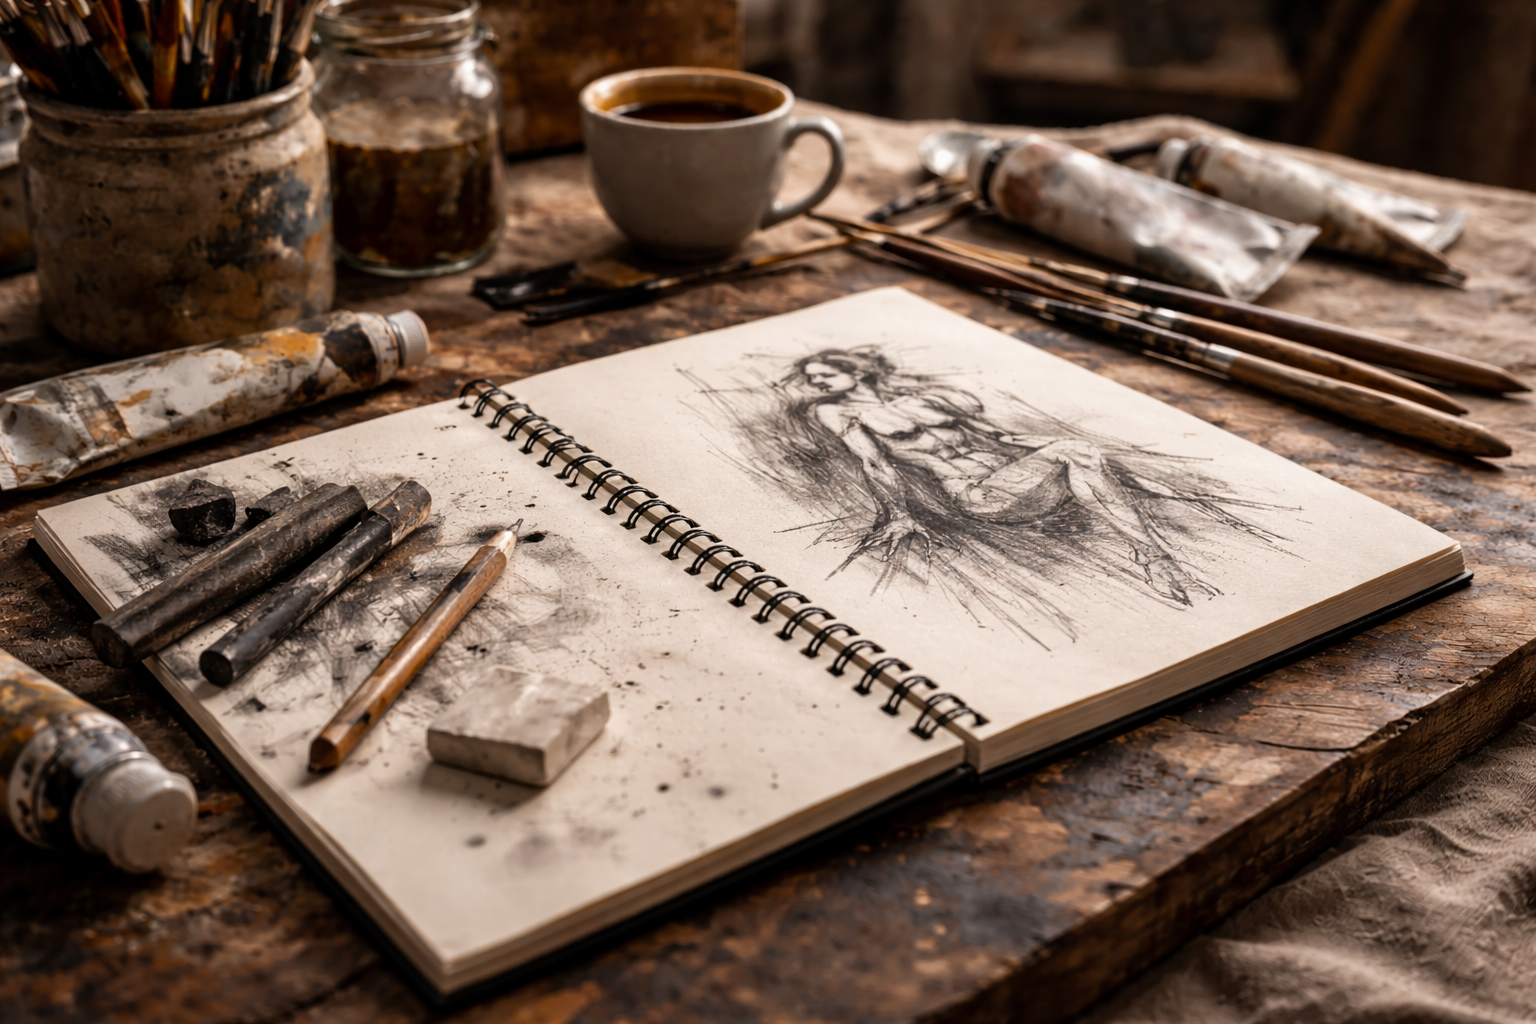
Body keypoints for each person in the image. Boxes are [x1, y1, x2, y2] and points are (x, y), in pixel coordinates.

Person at [789, 348, 1212, 605]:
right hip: (980, 496)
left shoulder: (923, 397)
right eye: (810, 379)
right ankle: (1157, 561)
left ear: (856, 370)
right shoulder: (836, 411)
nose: (815, 382)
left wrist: (1128, 477)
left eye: (822, 374)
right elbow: (874, 462)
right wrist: (897, 513)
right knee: (1074, 450)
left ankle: (1158, 561)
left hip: (1021, 480)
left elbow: (999, 435)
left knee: (1076, 450)